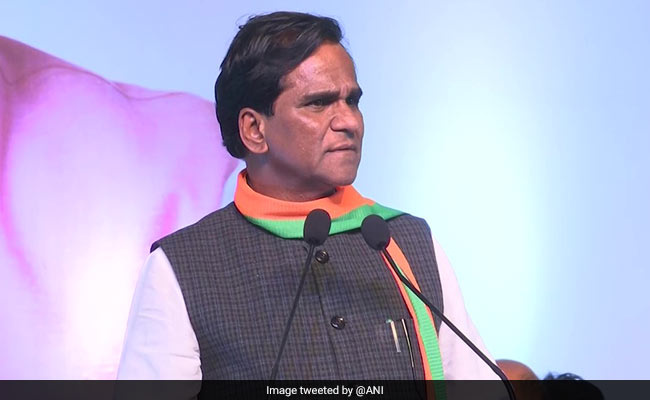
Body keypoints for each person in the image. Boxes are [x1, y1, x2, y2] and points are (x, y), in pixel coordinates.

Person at [117, 11, 497, 389]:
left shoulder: (409, 243)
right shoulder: (182, 267)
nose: (350, 121)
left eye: (352, 101)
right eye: (319, 103)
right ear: (254, 129)